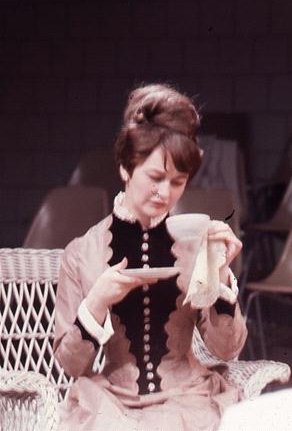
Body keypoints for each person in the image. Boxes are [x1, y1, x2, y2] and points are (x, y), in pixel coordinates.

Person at [54, 83, 248, 431]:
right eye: (156, 177)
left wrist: (219, 279)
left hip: (188, 400)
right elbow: (71, 366)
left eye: (178, 181)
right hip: (113, 402)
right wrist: (97, 300)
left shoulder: (194, 244)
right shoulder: (82, 253)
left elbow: (225, 350)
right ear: (126, 168)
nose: (165, 193)